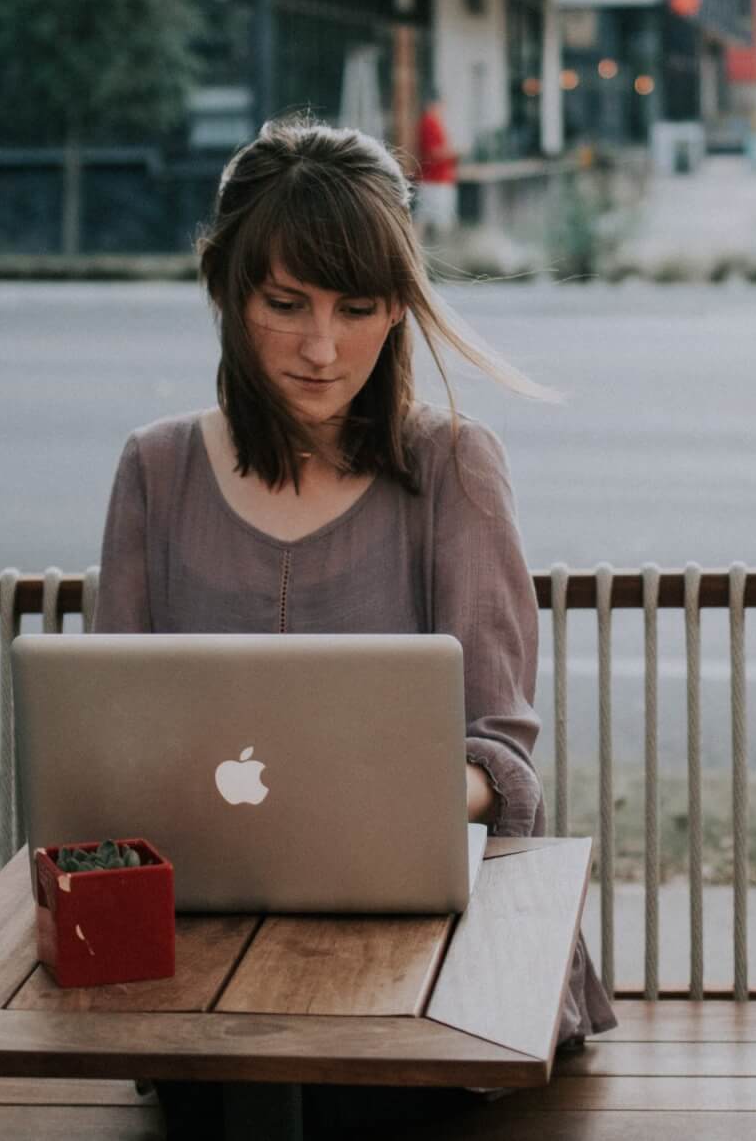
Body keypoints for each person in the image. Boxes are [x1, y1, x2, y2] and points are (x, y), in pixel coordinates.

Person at [94, 116, 614, 1136]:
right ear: (225, 291)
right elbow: (110, 737)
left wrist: (372, 794)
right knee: (242, 1075)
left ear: (398, 310)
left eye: (358, 307)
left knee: (331, 1093)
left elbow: (502, 759)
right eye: (284, 304)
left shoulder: (451, 467)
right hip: (206, 946)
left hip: (427, 952)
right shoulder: (156, 471)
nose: (321, 348)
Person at [414, 91, 460, 244]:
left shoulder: (433, 122)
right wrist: (453, 152)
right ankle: (442, 250)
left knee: (425, 216)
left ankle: (420, 248)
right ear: (432, 104)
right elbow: (433, 153)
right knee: (438, 219)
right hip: (435, 180)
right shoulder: (429, 123)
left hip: (437, 179)